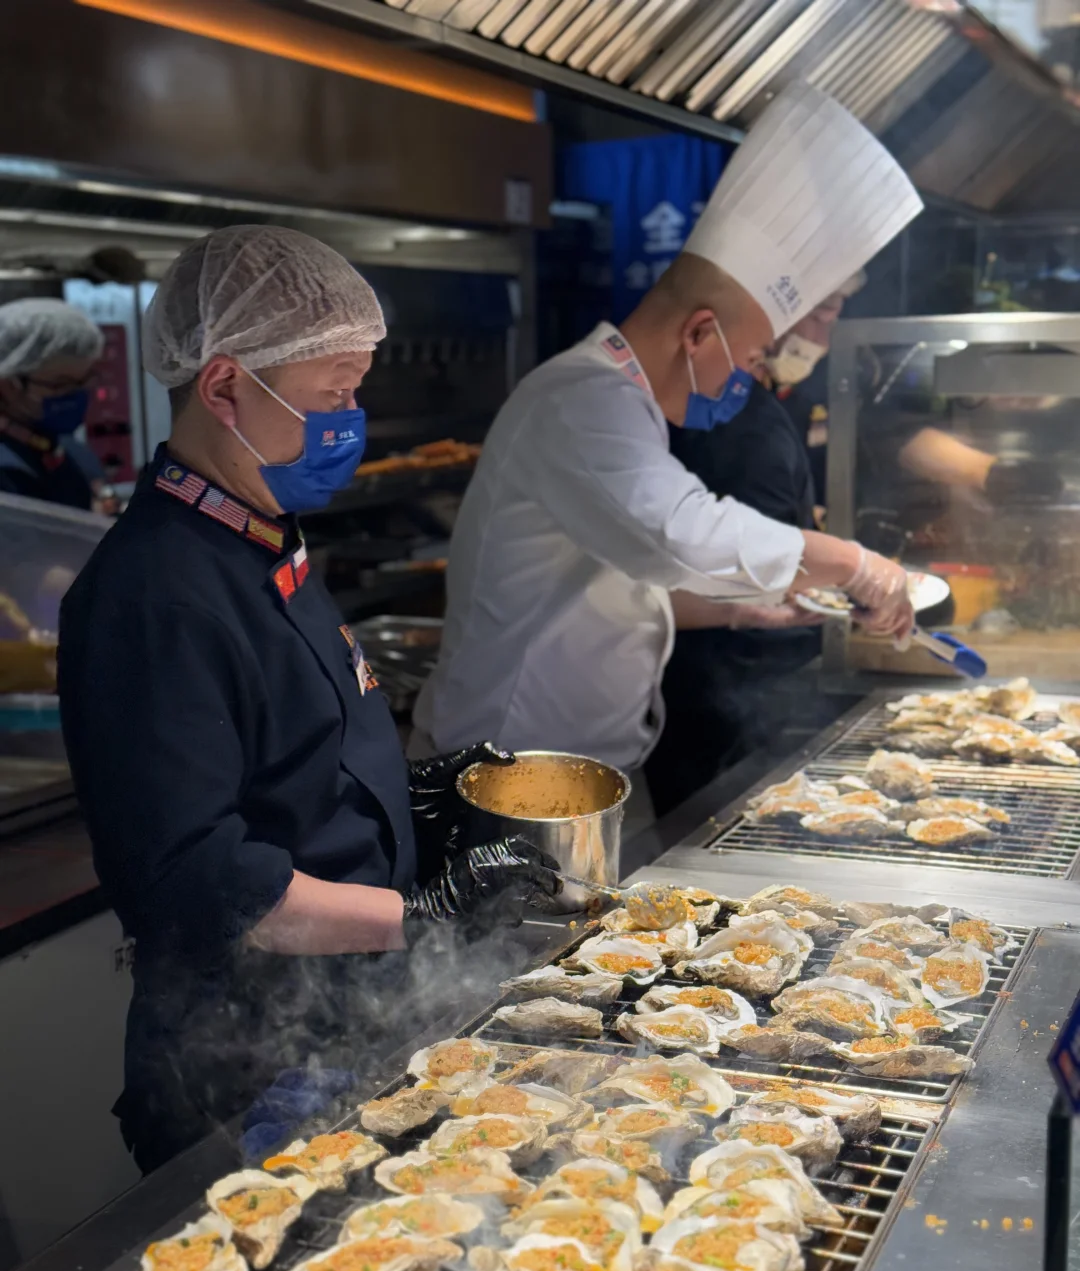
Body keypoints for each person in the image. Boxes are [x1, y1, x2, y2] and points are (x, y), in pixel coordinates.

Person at [57, 226, 559, 1174]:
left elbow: (291, 759)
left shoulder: (257, 534)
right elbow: (202, 880)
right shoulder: (153, 597)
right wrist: (422, 913)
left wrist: (413, 796)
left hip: (342, 1021)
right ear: (224, 387)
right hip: (243, 1069)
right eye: (334, 394)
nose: (351, 420)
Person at [412, 85, 923, 807]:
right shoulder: (580, 399)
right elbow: (679, 534)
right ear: (700, 333)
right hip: (506, 779)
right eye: (752, 357)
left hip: (580, 770)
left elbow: (622, 578)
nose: (750, 378)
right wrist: (854, 563)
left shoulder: (628, 406)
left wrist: (747, 607)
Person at [645, 291, 849, 815]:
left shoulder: (754, 406)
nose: (826, 337)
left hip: (751, 675)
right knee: (708, 826)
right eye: (823, 313)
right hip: (719, 687)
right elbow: (725, 556)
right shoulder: (730, 420)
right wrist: (856, 570)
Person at [0, 298, 105, 509]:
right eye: (60, 385)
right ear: (9, 385)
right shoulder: (8, 472)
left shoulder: (68, 452)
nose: (76, 394)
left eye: (85, 381)